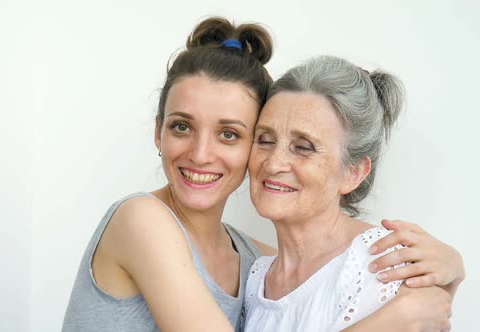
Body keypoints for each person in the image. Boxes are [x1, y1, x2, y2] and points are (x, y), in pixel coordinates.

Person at [63, 18, 464, 332]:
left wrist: (451, 273)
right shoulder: (141, 219)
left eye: (229, 134)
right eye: (182, 126)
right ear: (158, 132)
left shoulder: (254, 264)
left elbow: (319, 269)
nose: (201, 154)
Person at [243, 55, 464, 332]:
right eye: (264, 140)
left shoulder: (382, 263)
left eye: (304, 147)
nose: (273, 163)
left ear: (354, 173)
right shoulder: (256, 279)